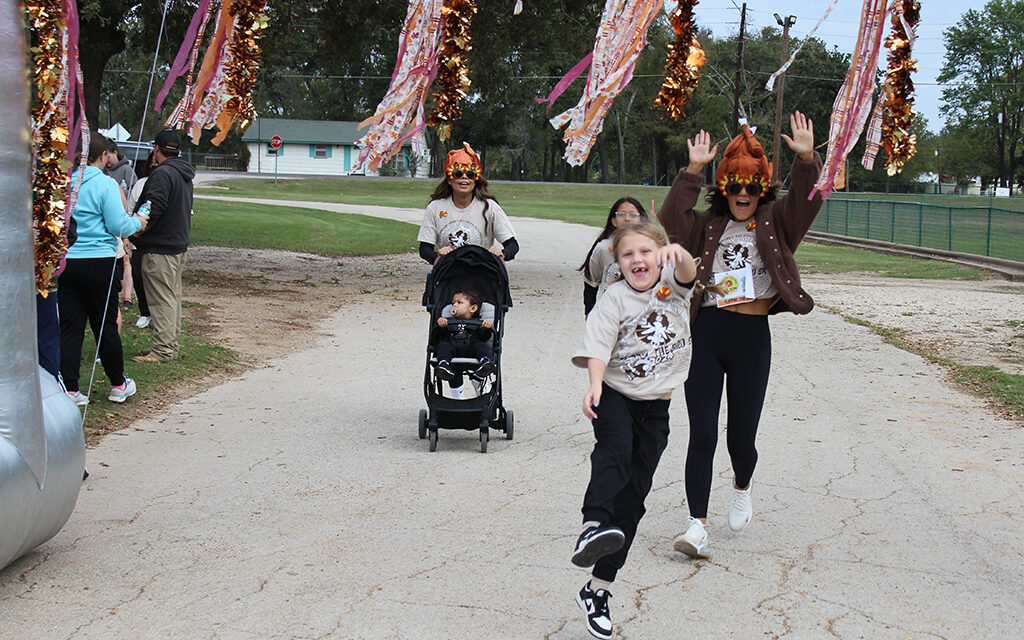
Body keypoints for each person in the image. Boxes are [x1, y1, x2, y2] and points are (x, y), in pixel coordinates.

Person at [657, 111, 823, 558]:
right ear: (723, 188)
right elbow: (672, 217)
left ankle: (742, 484)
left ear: (763, 189)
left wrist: (806, 159)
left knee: (741, 437)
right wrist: (693, 170)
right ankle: (696, 525)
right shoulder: (706, 226)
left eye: (752, 187)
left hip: (752, 336)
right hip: (708, 334)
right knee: (702, 434)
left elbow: (805, 203)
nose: (743, 194)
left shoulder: (775, 222)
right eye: (734, 186)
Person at [570, 222, 696, 640]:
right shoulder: (613, 299)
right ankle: (592, 525)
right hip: (616, 395)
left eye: (645, 252)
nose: (637, 260)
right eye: (627, 255)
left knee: (635, 500)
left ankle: (598, 589)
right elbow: (598, 346)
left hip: (656, 408)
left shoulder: (672, 286)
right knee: (615, 449)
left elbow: (688, 272)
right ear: (617, 261)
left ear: (658, 254)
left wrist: (675, 251)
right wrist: (593, 385)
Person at [58, 132, 148, 405]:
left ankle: (69, 389)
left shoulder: (65, 183)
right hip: (98, 263)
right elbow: (117, 225)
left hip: (67, 262)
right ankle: (118, 383)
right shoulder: (105, 185)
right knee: (105, 325)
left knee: (70, 327)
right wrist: (139, 223)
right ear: (101, 155)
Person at [131, 130, 196, 363]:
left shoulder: (161, 174)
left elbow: (153, 206)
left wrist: (137, 227)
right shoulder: (184, 174)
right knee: (171, 296)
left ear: (156, 149)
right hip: (176, 243)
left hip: (160, 246)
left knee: (161, 299)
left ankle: (163, 350)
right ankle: (169, 344)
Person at [417, 142, 519, 266]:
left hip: (482, 272)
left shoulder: (489, 207)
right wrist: (439, 256)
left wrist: (503, 253)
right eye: (458, 174)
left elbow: (512, 245)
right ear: (450, 179)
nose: (464, 177)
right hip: (448, 272)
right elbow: (424, 249)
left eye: (470, 174)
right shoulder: (435, 207)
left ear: (475, 180)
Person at [579, 197, 649, 316]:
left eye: (633, 214)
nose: (627, 219)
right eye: (621, 214)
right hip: (610, 313)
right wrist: (589, 313)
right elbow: (591, 282)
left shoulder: (651, 249)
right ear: (614, 221)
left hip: (642, 314)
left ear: (641, 220)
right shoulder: (603, 249)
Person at [434, 289, 495, 398]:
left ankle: (485, 362)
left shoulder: (479, 322)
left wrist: (486, 328)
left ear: (473, 308)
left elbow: (484, 337)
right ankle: (444, 365)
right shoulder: (448, 321)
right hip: (453, 353)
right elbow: (439, 337)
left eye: (459, 302)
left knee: (480, 345)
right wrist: (441, 325)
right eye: (453, 303)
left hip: (472, 351)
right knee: (443, 345)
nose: (454, 305)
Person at [126, 151, 159, 327]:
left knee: (158, 279)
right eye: (153, 164)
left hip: (159, 241)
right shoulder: (141, 184)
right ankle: (145, 311)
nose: (155, 167)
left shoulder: (169, 182)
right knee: (138, 275)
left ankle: (158, 314)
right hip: (140, 239)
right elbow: (130, 209)